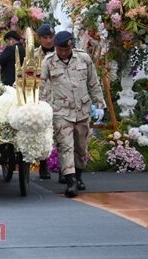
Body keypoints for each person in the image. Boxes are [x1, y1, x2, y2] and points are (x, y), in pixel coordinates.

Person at [40, 31, 105, 198]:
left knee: (81, 146)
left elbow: (93, 82)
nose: (63, 53)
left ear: (72, 46)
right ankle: (71, 182)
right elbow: (41, 86)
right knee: (66, 146)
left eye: (66, 49)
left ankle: (79, 176)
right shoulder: (48, 62)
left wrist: (99, 103)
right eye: (60, 49)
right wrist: (41, 106)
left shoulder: (84, 59)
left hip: (82, 109)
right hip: (61, 111)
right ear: (56, 48)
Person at [36, 23, 56, 180]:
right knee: (43, 132)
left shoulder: (61, 53)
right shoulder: (34, 56)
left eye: (51, 37)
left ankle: (65, 170)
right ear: (39, 39)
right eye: (45, 37)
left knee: (62, 134)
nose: (49, 41)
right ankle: (43, 165)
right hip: (42, 99)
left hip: (60, 99)